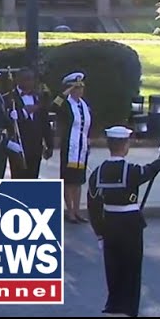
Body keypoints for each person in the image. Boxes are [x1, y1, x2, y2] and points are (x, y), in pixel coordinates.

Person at [87, 126, 160, 317]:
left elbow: (93, 207)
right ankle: (129, 307)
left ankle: (114, 303)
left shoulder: (97, 173)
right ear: (125, 145)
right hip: (130, 225)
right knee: (132, 267)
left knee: (113, 266)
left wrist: (99, 233)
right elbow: (150, 170)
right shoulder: (131, 170)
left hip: (109, 223)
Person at [52, 72, 92, 224]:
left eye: (81, 88)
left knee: (78, 180)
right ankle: (70, 212)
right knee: (69, 180)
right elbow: (54, 105)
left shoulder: (84, 105)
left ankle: (77, 210)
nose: (80, 91)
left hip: (82, 148)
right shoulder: (66, 104)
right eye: (76, 88)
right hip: (69, 147)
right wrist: (66, 92)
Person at [4, 67, 54, 179]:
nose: (29, 82)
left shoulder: (40, 97)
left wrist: (49, 145)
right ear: (18, 80)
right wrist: (24, 113)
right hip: (18, 147)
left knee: (33, 177)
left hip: (36, 147)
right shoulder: (9, 98)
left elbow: (45, 123)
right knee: (18, 178)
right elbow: (7, 122)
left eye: (31, 79)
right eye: (25, 79)